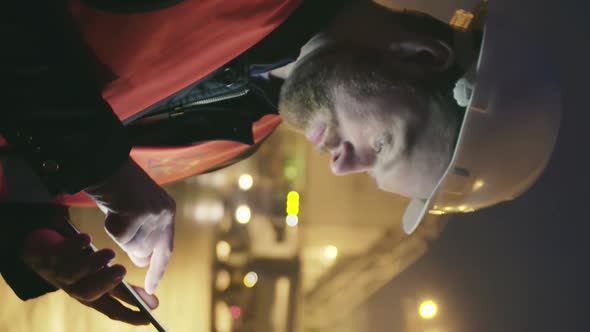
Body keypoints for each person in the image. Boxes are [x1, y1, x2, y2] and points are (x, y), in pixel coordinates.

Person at [0, 0, 564, 326]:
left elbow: (22, 151)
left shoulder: (236, 138)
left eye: (369, 169)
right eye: (384, 144)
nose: (343, 167)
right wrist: (103, 167)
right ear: (419, 56)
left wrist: (36, 240)